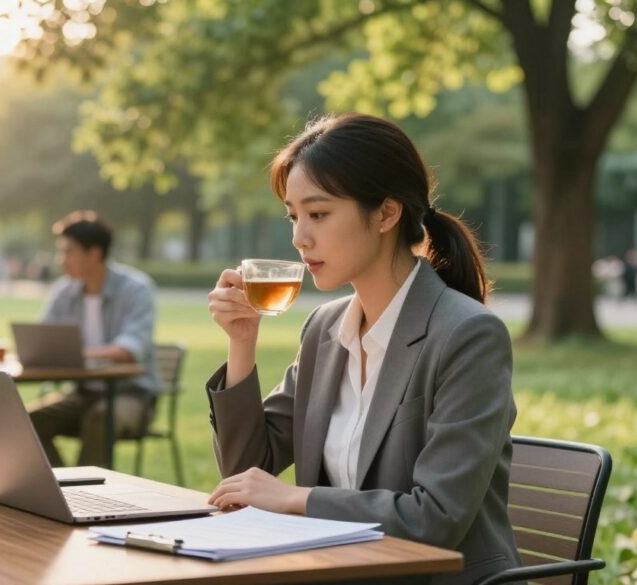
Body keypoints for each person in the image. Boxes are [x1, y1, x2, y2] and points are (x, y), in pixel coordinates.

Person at [205, 114, 520, 585]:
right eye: (293, 216)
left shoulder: (467, 335)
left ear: (387, 214)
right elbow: (249, 471)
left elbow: (435, 518)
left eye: (318, 213)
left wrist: (297, 499)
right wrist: (242, 342)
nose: (299, 237)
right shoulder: (325, 329)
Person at [28, 211, 160, 467]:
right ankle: (60, 490)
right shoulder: (64, 291)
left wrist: (80, 353)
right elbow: (42, 336)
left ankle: (87, 498)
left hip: (130, 395)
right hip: (81, 392)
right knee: (26, 420)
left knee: (99, 418)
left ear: (95, 253)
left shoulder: (136, 289)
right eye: (60, 252)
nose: (61, 260)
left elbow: (131, 348)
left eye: (69, 252)